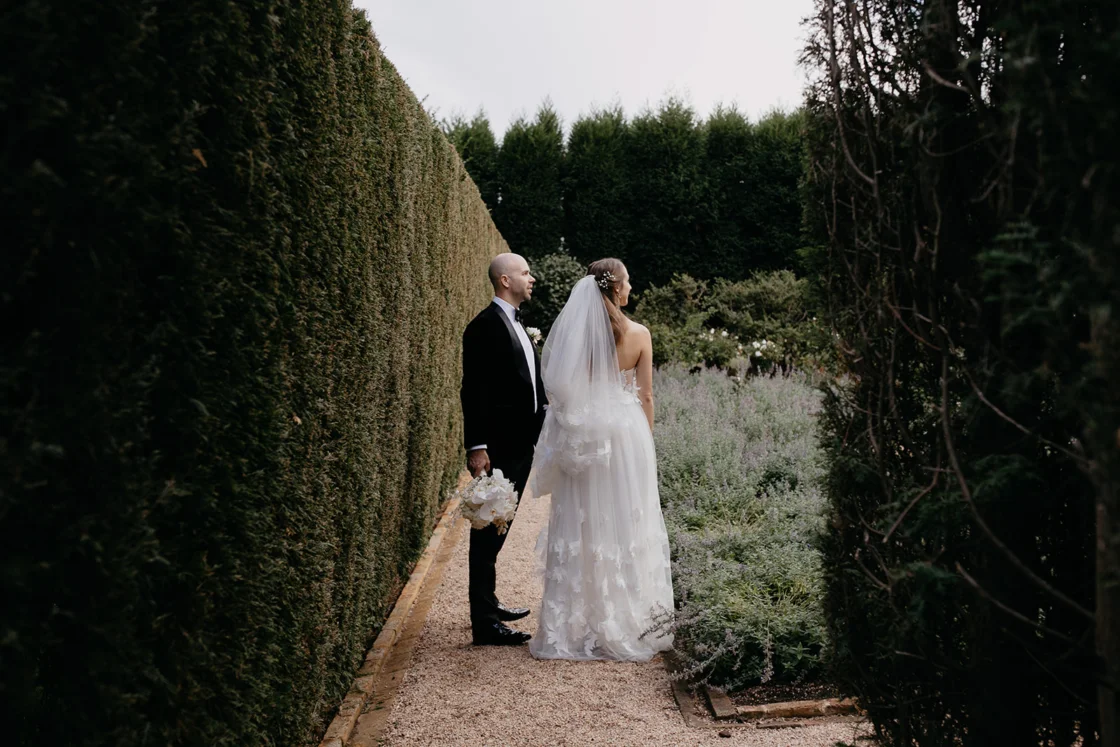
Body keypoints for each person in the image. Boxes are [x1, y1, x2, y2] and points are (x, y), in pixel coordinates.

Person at [529, 258, 674, 661]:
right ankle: (627, 621)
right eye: (628, 281)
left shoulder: (577, 336)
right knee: (627, 519)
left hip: (585, 435)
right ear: (616, 287)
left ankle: (571, 628)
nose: (631, 287)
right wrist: (646, 441)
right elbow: (646, 395)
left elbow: (560, 388)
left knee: (583, 520)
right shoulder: (639, 334)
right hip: (626, 435)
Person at [460, 253, 547, 646]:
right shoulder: (484, 326)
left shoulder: (516, 323)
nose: (532, 278)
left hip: (520, 444)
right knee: (487, 532)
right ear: (505, 280)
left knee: (499, 529)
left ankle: (489, 603)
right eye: (525, 273)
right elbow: (473, 390)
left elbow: (527, 383)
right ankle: (484, 624)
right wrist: (477, 446)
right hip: (497, 447)